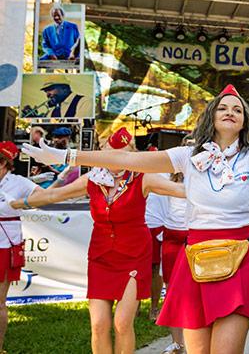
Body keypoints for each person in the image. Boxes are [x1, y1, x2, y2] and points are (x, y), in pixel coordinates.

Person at [21, 84, 249, 354]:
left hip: (242, 257)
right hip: (195, 260)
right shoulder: (187, 156)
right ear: (212, 117)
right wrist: (70, 159)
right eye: (223, 108)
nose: (230, 112)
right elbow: (127, 161)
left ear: (244, 120)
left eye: (237, 109)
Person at [12, 127, 185, 354]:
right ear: (102, 152)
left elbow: (180, 190)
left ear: (133, 155)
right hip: (101, 255)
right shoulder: (91, 179)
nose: (115, 158)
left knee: (123, 322)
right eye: (110, 151)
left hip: (134, 255)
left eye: (122, 153)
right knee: (98, 324)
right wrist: (17, 203)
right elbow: (54, 194)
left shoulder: (143, 177)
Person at [0, 142, 44, 354]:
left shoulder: (17, 182)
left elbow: (42, 195)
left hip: (5, 244)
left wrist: (21, 203)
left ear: (5, 163)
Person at [159, 171, 189, 354]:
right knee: (171, 292)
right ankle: (178, 343)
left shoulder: (203, 173)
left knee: (194, 292)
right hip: (171, 236)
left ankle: (198, 341)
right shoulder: (165, 175)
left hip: (193, 234)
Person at [145, 165, 169, 321]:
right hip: (141, 225)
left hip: (160, 226)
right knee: (136, 269)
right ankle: (134, 306)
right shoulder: (139, 172)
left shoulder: (171, 175)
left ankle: (154, 308)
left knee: (156, 269)